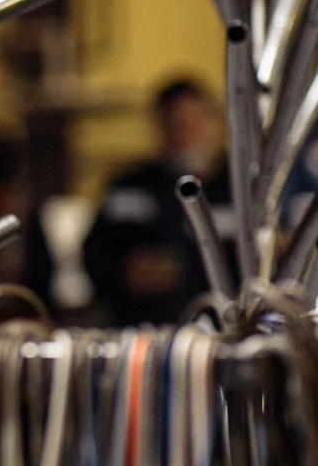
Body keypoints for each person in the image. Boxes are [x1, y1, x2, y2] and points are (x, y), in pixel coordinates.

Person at [82, 78, 231, 324]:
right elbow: (94, 255)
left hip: (225, 327)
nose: (183, 134)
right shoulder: (130, 186)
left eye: (192, 123)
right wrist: (124, 272)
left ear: (216, 123)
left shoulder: (239, 191)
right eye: (173, 125)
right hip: (143, 326)